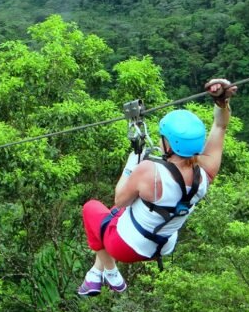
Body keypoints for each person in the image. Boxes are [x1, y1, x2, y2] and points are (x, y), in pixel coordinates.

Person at [78, 78, 237, 295]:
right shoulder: (207, 171)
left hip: (125, 247)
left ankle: (110, 271)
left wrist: (132, 162)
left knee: (92, 208)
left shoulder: (149, 172)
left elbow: (120, 198)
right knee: (116, 214)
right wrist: (222, 102)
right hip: (162, 246)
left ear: (169, 143)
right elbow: (220, 125)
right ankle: (95, 274)